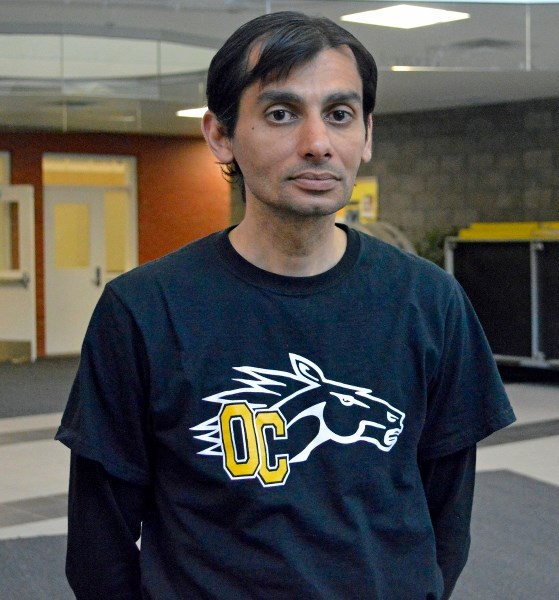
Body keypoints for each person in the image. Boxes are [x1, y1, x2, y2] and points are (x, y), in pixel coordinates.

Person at [56, 11, 515, 600]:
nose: (318, 143)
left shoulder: (430, 302)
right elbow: (99, 547)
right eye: (281, 113)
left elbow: (446, 517)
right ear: (221, 134)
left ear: (367, 135)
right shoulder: (143, 309)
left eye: (340, 115)